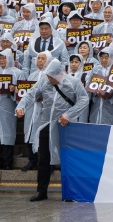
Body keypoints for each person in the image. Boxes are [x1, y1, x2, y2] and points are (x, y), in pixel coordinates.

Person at [16, 59, 88, 202]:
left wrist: (69, 115)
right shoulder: (44, 81)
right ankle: (41, 191)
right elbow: (32, 94)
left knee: (66, 159)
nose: (49, 79)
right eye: (48, 76)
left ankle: (70, 192)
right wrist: (21, 106)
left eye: (52, 77)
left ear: (59, 74)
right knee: (43, 158)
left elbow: (84, 99)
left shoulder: (72, 83)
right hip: (46, 124)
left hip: (65, 125)